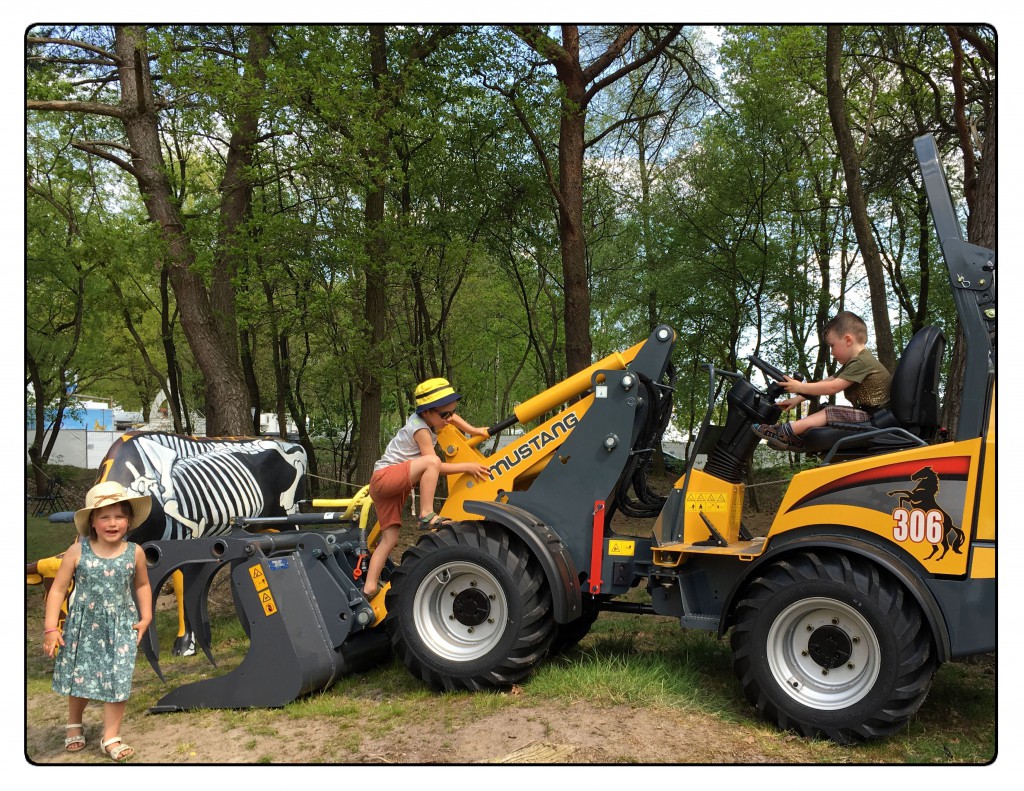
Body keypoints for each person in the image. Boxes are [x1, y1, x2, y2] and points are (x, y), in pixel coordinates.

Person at [42, 481, 153, 762]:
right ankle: (74, 722)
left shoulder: (135, 552)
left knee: (119, 679)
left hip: (121, 626)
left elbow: (141, 585)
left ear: (128, 520)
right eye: (104, 516)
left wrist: (147, 616)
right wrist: (51, 628)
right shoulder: (77, 552)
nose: (112, 523)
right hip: (82, 627)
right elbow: (57, 589)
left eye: (119, 516)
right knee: (80, 678)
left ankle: (111, 736)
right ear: (92, 522)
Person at [362, 377, 491, 598]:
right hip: (384, 478)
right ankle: (426, 514)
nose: (449, 418)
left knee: (390, 540)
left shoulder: (433, 418)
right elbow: (436, 465)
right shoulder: (420, 429)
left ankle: (369, 588)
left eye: (451, 412)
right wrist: (468, 466)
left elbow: (454, 418)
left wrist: (474, 430)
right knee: (431, 461)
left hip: (392, 487)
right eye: (444, 415)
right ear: (428, 412)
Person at [751, 311, 892, 452]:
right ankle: (797, 438)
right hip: (872, 414)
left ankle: (785, 431)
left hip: (877, 417)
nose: (831, 352)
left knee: (829, 412)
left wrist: (799, 386)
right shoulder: (854, 362)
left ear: (848, 340)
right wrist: (798, 397)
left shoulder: (862, 361)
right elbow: (829, 380)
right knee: (828, 410)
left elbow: (832, 387)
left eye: (832, 345)